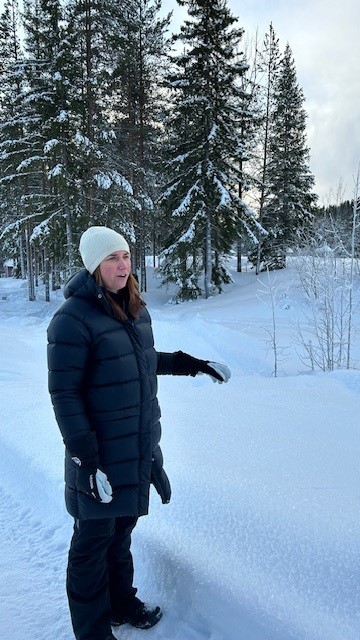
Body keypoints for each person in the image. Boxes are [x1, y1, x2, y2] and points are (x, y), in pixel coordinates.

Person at [47, 226, 231, 640]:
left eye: (126, 255)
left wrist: (193, 364)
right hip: (97, 455)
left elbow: (144, 361)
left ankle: (120, 604)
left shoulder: (133, 308)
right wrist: (86, 461)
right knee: (92, 544)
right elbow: (64, 395)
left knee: (121, 532)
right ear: (94, 266)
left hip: (134, 447)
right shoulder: (72, 320)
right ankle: (93, 631)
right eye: (112, 258)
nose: (123, 264)